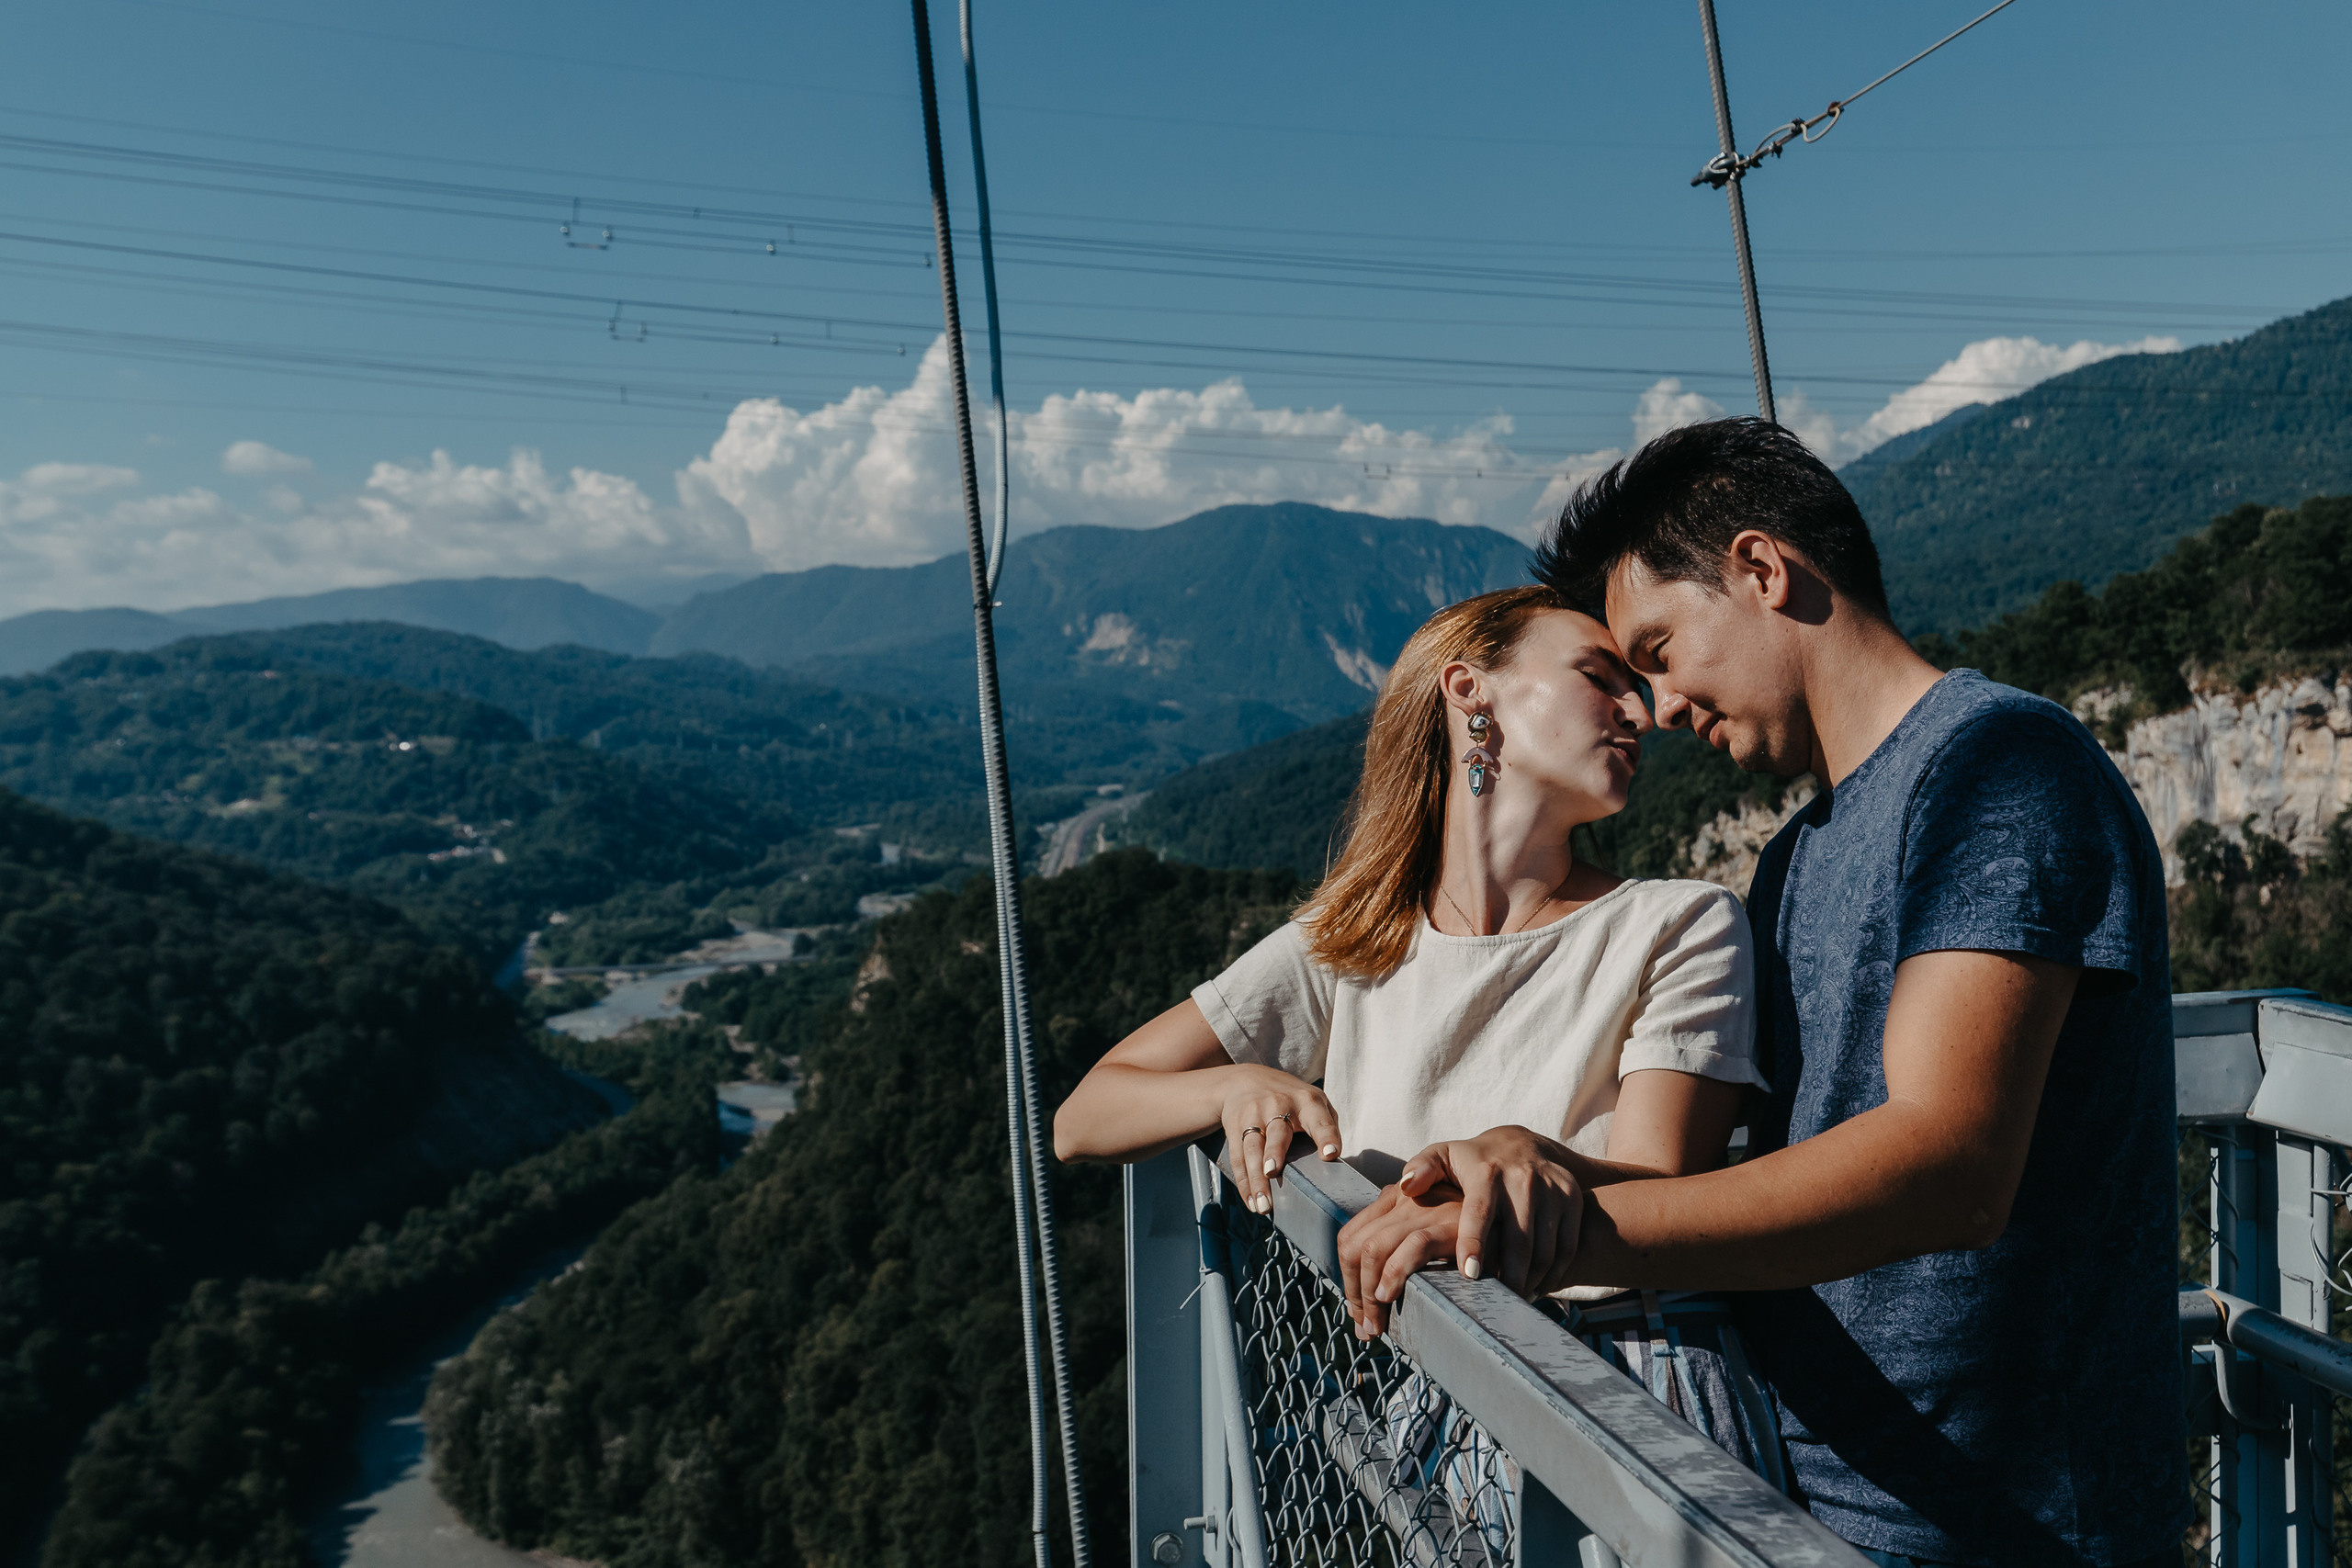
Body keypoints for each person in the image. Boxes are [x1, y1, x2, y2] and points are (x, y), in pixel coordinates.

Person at [1339, 418, 2185, 1568]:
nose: (1661, 707)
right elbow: (1791, 1150)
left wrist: (1560, 1231)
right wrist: (1524, 1163)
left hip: (2006, 1513)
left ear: (1760, 569)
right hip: (1809, 1486)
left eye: (1659, 647)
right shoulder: (1800, 853)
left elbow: (1945, 1166)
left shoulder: (2001, 768)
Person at [1053, 585, 1786, 1480]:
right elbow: (1083, 1117)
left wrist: (1527, 1155)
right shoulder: (1350, 947)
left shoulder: (1678, 924)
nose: (1641, 710)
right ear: (1469, 691)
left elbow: (1662, 1187)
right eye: (1600, 677)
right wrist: (1233, 1084)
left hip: (1630, 1391)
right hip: (1442, 1405)